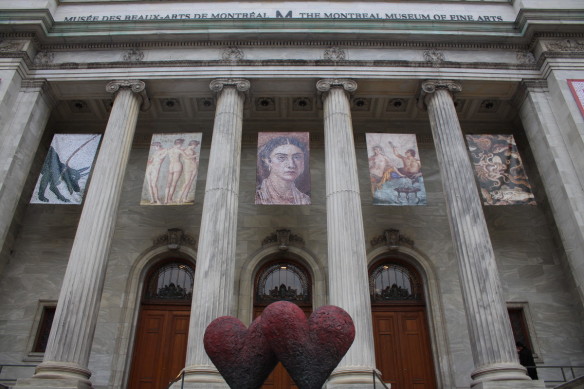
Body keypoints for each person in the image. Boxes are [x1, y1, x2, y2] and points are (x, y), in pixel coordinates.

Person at [256, 136, 310, 205]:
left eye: (297, 157)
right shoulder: (257, 197)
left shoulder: (305, 200)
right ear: (268, 161)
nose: (291, 165)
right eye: (281, 157)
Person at [178, 139, 200, 204]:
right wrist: (196, 155)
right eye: (195, 145)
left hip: (194, 167)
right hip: (188, 167)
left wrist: (197, 160)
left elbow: (196, 160)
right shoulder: (185, 150)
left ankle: (184, 198)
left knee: (190, 183)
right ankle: (179, 198)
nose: (195, 147)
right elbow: (187, 157)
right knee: (186, 182)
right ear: (192, 144)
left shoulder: (193, 151)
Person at [164, 138, 185, 204]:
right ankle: (170, 199)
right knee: (173, 184)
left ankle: (165, 200)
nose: (182, 145)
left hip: (171, 166)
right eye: (181, 144)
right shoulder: (179, 150)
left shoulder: (169, 150)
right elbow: (187, 157)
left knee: (168, 184)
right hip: (177, 165)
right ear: (179, 144)